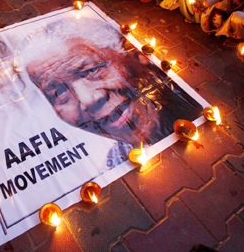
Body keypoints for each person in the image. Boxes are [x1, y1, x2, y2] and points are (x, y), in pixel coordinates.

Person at [19, 17, 202, 168]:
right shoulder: (115, 164)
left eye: (91, 70)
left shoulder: (196, 106)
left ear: (131, 55)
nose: (88, 99)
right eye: (59, 92)